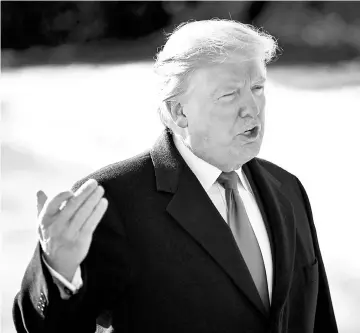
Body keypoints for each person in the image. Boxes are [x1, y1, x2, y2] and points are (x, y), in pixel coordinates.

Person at [13, 19, 338, 333]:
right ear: (178, 112)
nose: (251, 109)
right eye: (229, 95)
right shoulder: (110, 201)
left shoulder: (288, 188)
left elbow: (318, 317)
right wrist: (58, 271)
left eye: (257, 87)